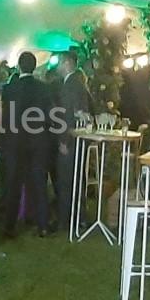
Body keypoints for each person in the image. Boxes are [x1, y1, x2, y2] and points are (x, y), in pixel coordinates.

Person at [0, 51, 54, 238]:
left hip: (15, 142)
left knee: (13, 184)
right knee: (39, 184)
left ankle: (9, 226)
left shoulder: (9, 89)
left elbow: (5, 118)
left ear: (19, 66)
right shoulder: (44, 88)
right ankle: (43, 225)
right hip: (38, 141)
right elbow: (50, 116)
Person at [55, 50, 93, 230]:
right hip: (78, 139)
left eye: (60, 62)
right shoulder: (78, 83)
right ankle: (79, 216)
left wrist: (63, 140)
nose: (58, 66)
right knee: (77, 178)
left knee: (67, 179)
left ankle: (68, 218)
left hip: (71, 139)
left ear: (68, 63)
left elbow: (68, 114)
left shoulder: (71, 84)